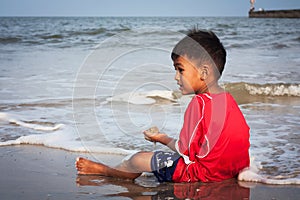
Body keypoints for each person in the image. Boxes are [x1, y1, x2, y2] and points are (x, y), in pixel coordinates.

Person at [76, 29, 250, 183]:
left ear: (204, 72)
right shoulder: (228, 99)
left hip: (199, 174)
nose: (176, 77)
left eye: (180, 70)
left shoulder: (199, 104)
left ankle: (106, 170)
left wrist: (162, 138)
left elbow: (185, 150)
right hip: (230, 172)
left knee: (138, 160)